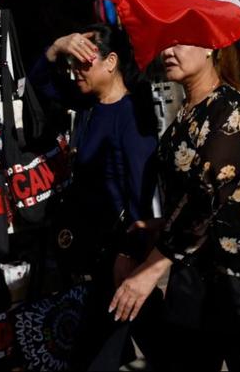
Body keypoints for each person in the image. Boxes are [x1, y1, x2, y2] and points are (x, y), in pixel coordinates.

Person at [109, 43, 240, 372]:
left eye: (178, 41)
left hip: (239, 278)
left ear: (209, 47)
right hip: (192, 277)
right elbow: (191, 199)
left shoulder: (229, 107)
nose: (166, 50)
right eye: (163, 42)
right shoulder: (185, 114)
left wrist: (151, 269)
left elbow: (209, 193)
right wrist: (158, 225)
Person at [28, 23, 160, 370]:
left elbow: (140, 194)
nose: (75, 73)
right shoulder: (88, 104)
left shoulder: (131, 115)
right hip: (96, 258)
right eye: (72, 64)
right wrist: (57, 45)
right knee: (152, 345)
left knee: (99, 355)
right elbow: (39, 82)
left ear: (111, 62)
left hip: (118, 258)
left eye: (83, 63)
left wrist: (127, 253)